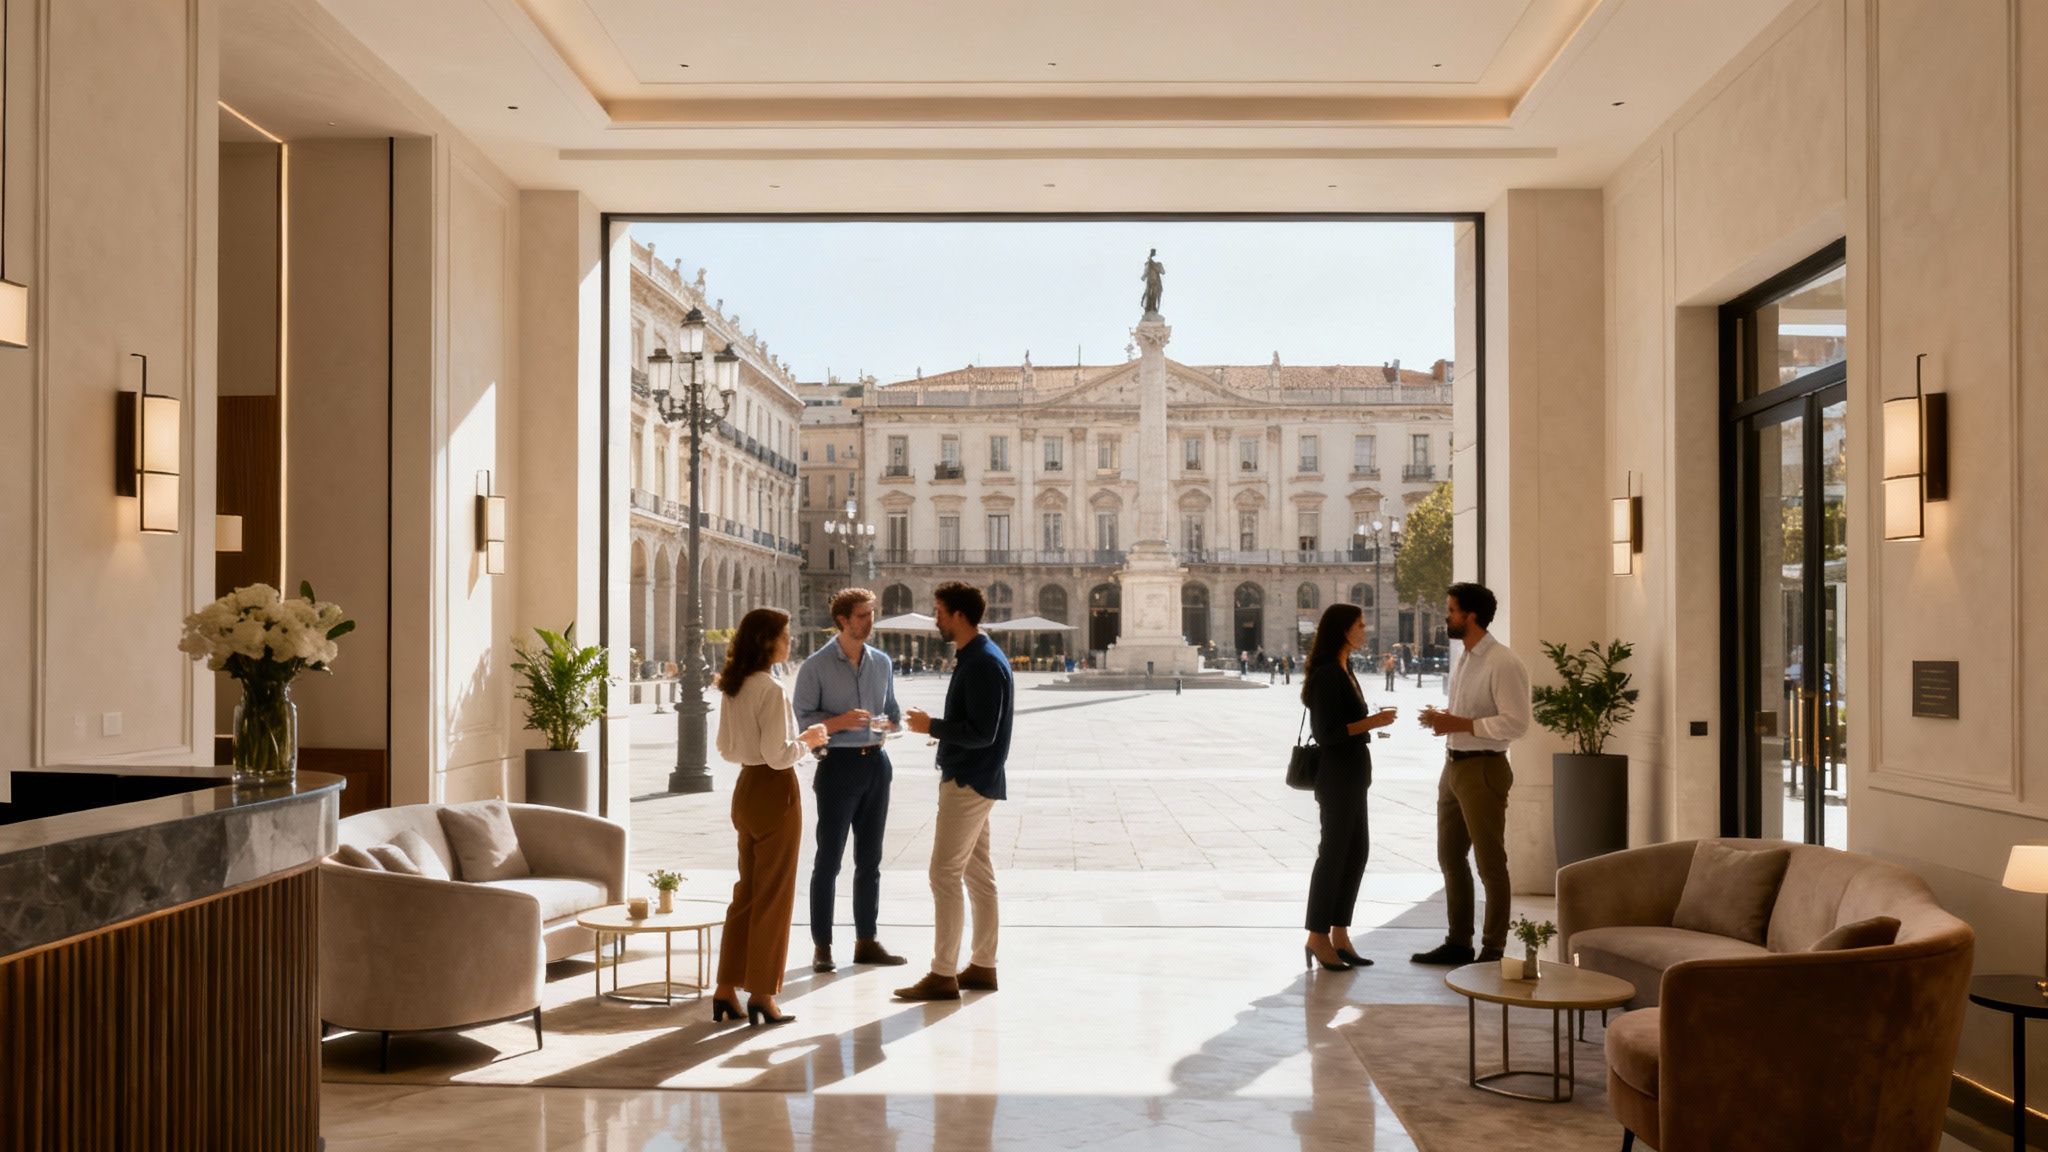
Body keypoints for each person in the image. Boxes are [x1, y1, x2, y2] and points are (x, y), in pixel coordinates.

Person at [896, 581, 1014, 1001]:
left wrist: (934, 727)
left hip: (968, 781)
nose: (936, 618)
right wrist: (943, 734)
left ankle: (943, 972)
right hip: (978, 778)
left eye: (940, 611)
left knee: (943, 874)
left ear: (959, 615)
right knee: (978, 875)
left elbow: (983, 733)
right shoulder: (979, 656)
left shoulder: (982, 662)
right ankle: (983, 965)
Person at [711, 608, 829, 1026]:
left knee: (746, 892)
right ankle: (762, 994)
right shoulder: (772, 689)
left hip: (744, 790)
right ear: (766, 641)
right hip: (775, 790)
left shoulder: (733, 686)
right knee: (774, 897)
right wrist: (808, 741)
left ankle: (725, 988)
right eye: (785, 635)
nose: (790, 641)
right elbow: (778, 756)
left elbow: (726, 748)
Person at [1410, 583, 1532, 966]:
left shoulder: (1503, 662)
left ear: (1471, 616)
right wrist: (1444, 721)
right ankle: (1458, 942)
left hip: (1483, 768)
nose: (1446, 617)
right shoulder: (1464, 657)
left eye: (1451, 610)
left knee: (1490, 864)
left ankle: (1493, 948)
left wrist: (1457, 722)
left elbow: (1517, 723)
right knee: (1450, 857)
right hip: (1454, 766)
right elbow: (1467, 717)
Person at [793, 588, 909, 974]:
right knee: (828, 860)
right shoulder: (816, 666)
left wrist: (888, 723)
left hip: (877, 764)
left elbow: (893, 714)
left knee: (870, 860)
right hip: (838, 767)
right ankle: (822, 946)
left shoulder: (882, 662)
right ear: (842, 620)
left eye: (872, 614)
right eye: (862, 615)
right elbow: (804, 722)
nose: (869, 621)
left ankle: (866, 940)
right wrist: (841, 721)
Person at [1301, 604, 1398, 972]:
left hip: (1355, 774)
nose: (1365, 629)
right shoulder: (1327, 675)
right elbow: (1327, 734)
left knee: (1356, 854)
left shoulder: (1346, 669)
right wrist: (1372, 721)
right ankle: (1316, 935)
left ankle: (1339, 932)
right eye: (1359, 624)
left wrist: (1371, 724)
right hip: (1337, 776)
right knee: (1333, 856)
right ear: (1343, 630)